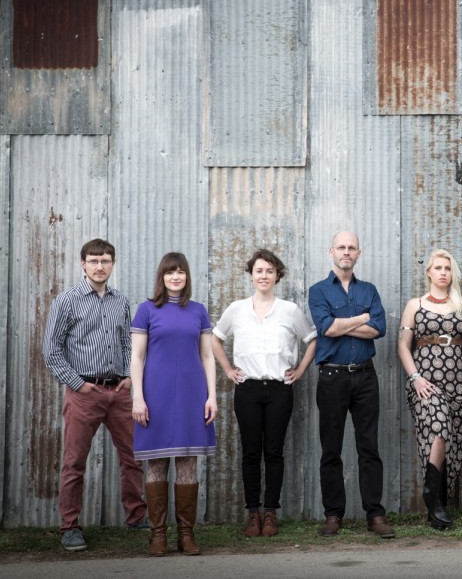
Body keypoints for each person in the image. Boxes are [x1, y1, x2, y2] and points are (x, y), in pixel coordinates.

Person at [43, 238, 147, 552]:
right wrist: (77, 383)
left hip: (119, 391)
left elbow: (128, 342)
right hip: (84, 392)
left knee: (132, 458)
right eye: (93, 261)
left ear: (112, 263)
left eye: (105, 261)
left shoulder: (121, 300)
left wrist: (130, 376)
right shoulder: (67, 300)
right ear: (83, 264)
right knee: (74, 462)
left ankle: (136, 515)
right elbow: (52, 350)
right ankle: (70, 527)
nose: (99, 266)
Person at [212, 249, 317, 537]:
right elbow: (216, 339)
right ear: (251, 274)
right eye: (259, 270)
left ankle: (270, 513)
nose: (264, 276)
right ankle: (252, 514)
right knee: (250, 453)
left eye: (269, 271)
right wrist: (228, 369)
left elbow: (311, 340)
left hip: (279, 390)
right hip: (248, 389)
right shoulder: (236, 309)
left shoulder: (289, 310)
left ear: (277, 276)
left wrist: (300, 370)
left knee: (273, 452)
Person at [308, 231, 394, 539]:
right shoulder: (318, 291)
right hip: (332, 377)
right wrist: (363, 318)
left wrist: (342, 325)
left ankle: (375, 514)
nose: (346, 252)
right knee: (331, 448)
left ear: (359, 253)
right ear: (331, 251)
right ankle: (333, 514)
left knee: (368, 446)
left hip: (365, 376)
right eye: (341, 247)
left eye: (352, 248)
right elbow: (326, 328)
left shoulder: (369, 289)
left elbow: (379, 328)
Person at [130, 252, 217, 556]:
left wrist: (212, 396)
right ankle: (157, 536)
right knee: (155, 463)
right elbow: (137, 357)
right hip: (155, 395)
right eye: (170, 272)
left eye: (180, 272)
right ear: (162, 277)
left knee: (188, 463)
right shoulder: (146, 311)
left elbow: (207, 356)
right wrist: (138, 397)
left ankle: (186, 534)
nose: (175, 277)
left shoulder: (199, 311)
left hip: (193, 395)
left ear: (187, 276)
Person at [397, 249, 462, 530]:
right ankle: (432, 498)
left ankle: (437, 506)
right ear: (429, 273)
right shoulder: (415, 305)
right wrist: (415, 378)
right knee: (439, 426)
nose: (443, 272)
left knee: (453, 444)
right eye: (438, 268)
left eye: (447, 268)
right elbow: (402, 346)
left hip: (459, 383)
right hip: (426, 384)